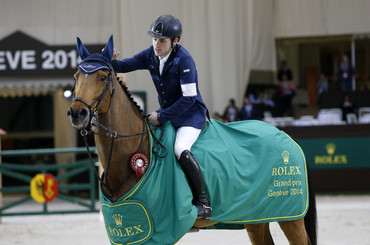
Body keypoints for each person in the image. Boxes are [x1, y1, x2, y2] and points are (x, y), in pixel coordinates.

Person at [111, 14, 211, 219]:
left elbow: (189, 99)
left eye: (162, 40)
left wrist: (162, 116)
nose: (157, 44)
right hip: (168, 115)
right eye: (154, 39)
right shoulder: (150, 55)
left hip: (190, 116)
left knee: (179, 149)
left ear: (175, 41)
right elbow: (125, 65)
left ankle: (203, 203)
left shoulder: (185, 60)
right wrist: (110, 62)